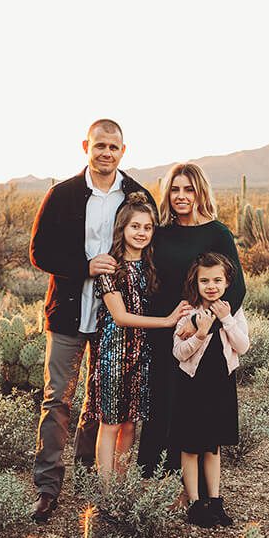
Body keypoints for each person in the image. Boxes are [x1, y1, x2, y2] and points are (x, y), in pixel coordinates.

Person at [28, 119, 180, 523]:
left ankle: (94, 478)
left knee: (101, 405)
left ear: (123, 151)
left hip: (119, 324)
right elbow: (38, 252)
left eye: (113, 147)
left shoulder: (137, 194)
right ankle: (48, 487)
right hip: (70, 312)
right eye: (100, 146)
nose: (106, 153)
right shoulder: (62, 195)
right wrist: (84, 266)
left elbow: (154, 249)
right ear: (86, 147)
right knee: (58, 398)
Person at [144, 162, 247, 482]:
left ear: (200, 191)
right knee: (162, 402)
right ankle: (155, 479)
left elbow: (237, 288)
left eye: (188, 189)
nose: (181, 196)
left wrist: (202, 325)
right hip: (163, 330)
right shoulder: (159, 234)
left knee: (192, 409)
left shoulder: (217, 233)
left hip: (202, 337)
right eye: (175, 189)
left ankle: (193, 487)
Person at [88, 201, 188, 485]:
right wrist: (167, 321)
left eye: (147, 227)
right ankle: (106, 492)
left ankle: (121, 485)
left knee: (131, 422)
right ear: (123, 228)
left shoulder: (151, 265)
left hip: (142, 355)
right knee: (110, 423)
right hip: (113, 354)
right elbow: (120, 317)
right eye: (135, 226)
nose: (142, 233)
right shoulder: (110, 267)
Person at [170, 252, 250, 526]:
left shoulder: (234, 311)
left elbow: (243, 346)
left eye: (217, 280)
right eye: (205, 280)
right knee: (190, 446)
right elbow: (179, 353)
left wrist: (226, 320)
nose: (211, 285)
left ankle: (215, 501)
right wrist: (200, 333)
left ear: (227, 282)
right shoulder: (187, 312)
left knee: (213, 446)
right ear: (196, 282)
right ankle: (194, 503)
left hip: (220, 385)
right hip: (192, 387)